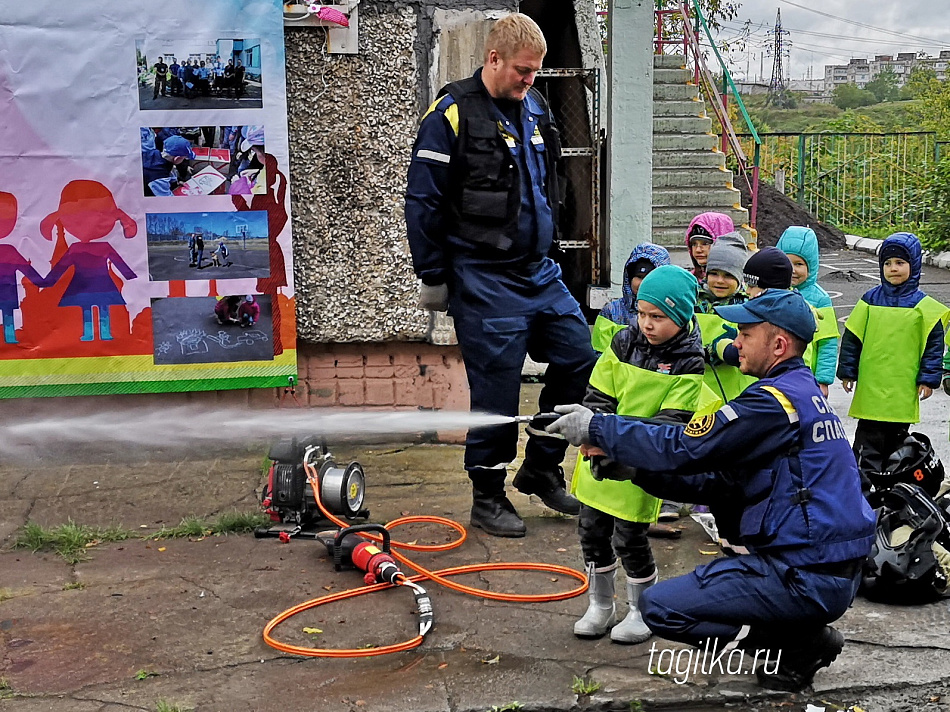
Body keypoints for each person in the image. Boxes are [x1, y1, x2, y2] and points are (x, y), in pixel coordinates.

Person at [546, 290, 876, 693]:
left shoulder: (774, 404)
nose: (735, 341)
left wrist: (598, 427)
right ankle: (798, 636)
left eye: (746, 333)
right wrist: (633, 468)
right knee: (676, 597)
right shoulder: (799, 393)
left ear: (778, 345)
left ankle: (800, 643)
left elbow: (686, 444)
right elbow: (718, 481)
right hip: (826, 568)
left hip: (806, 573)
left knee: (661, 609)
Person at [404, 13, 598, 537]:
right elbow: (422, 199)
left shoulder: (534, 107)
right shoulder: (451, 115)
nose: (530, 81)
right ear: (493, 59)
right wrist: (433, 274)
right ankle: (487, 496)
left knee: (581, 357)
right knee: (498, 388)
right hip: (483, 277)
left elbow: (549, 183)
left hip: (539, 272)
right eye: (522, 70)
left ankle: (541, 466)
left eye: (536, 71)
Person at [572, 265, 711, 643]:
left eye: (658, 317)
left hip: (638, 466)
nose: (647, 324)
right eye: (642, 313)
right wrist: (594, 430)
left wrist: (623, 446)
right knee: (590, 532)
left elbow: (671, 422)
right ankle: (600, 606)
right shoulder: (621, 344)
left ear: (682, 317)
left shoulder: (689, 362)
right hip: (600, 456)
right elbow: (599, 392)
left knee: (629, 537)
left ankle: (641, 609)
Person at [837, 232, 948, 462]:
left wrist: (928, 379)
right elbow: (852, 339)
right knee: (866, 442)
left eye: (900, 262)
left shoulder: (924, 307)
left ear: (914, 265)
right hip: (871, 388)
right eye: (887, 263)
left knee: (897, 443)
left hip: (902, 389)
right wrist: (847, 371)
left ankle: (893, 487)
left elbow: (933, 347)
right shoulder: (869, 300)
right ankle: (866, 488)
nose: (893, 268)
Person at [777, 226, 839, 397]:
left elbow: (827, 343)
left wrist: (823, 380)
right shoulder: (772, 291)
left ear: (811, 266)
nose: (793, 270)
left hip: (806, 378)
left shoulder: (820, 299)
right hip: (774, 375)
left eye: (799, 264)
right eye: (787, 263)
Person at [694, 233, 753, 402]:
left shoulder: (747, 305)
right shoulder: (692, 300)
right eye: (714, 273)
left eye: (728, 275)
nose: (720, 281)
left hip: (736, 392)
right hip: (698, 391)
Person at [591, 243, 670, 354]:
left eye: (649, 277)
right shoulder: (611, 312)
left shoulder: (672, 312)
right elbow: (599, 354)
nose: (643, 283)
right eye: (639, 277)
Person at [684, 212, 735, 281]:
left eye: (705, 243)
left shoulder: (739, 284)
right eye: (694, 244)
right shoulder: (689, 281)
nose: (698, 250)